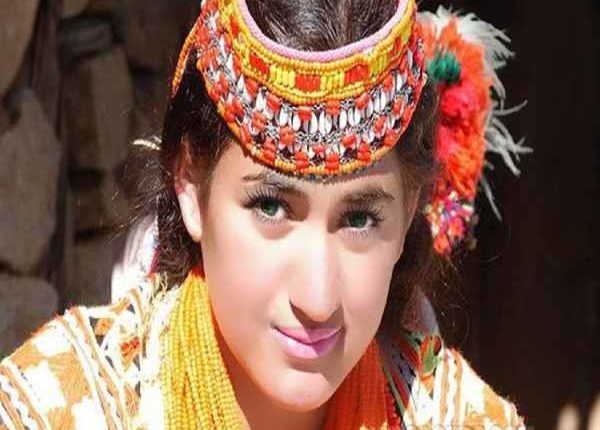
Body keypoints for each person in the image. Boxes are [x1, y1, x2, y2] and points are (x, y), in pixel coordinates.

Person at [0, 0, 530, 428]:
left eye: (359, 220)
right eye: (271, 207)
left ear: (410, 209)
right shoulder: (53, 411)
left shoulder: (461, 419)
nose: (318, 299)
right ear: (189, 183)